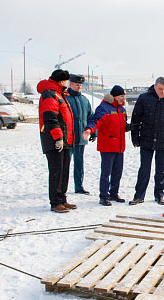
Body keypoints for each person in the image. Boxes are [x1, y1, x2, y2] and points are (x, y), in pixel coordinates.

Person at [129, 76, 164, 205]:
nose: (163, 92)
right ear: (154, 87)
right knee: (144, 170)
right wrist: (135, 137)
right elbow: (136, 119)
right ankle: (139, 196)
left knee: (161, 170)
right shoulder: (144, 98)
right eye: (160, 89)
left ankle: (159, 195)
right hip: (146, 140)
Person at [83, 85, 130, 206]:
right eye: (121, 96)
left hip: (119, 146)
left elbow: (122, 126)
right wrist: (89, 129)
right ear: (114, 97)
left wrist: (129, 127)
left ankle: (114, 193)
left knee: (117, 172)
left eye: (124, 96)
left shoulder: (122, 110)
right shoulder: (104, 107)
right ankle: (103, 196)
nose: (123, 98)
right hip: (108, 146)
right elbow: (96, 120)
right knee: (106, 172)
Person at [37, 69, 77, 213]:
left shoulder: (60, 94)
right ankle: (55, 202)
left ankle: (62, 198)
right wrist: (58, 137)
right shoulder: (50, 93)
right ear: (62, 81)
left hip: (64, 140)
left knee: (64, 170)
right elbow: (50, 118)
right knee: (56, 171)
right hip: (54, 140)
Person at [66, 74, 95, 194]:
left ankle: (79, 186)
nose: (79, 87)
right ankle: (62, 188)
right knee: (65, 165)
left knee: (79, 164)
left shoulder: (84, 100)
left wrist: (93, 132)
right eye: (76, 85)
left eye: (80, 85)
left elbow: (91, 117)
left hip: (81, 138)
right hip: (68, 139)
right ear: (70, 84)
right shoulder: (65, 99)